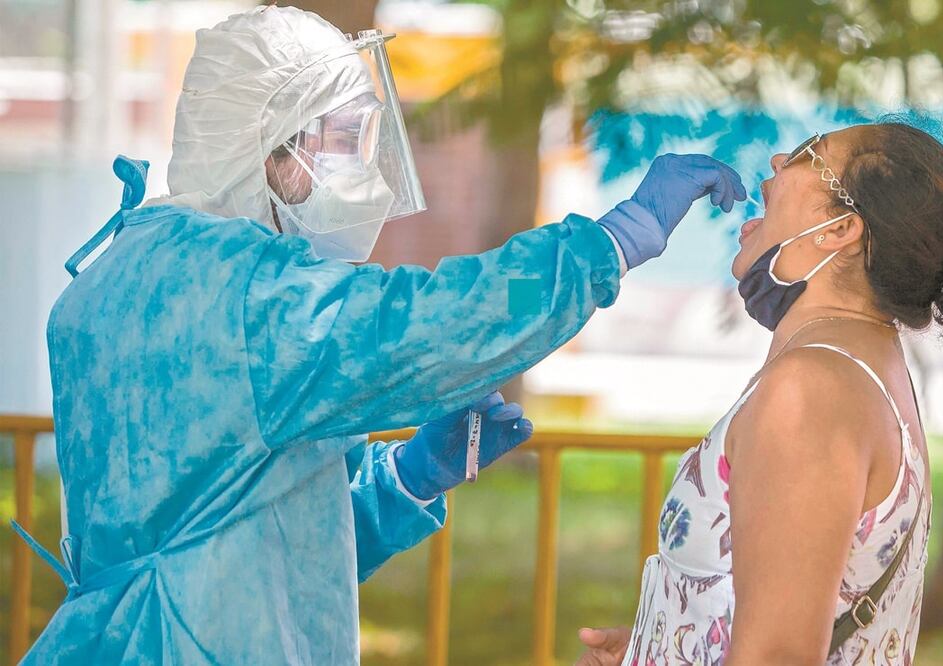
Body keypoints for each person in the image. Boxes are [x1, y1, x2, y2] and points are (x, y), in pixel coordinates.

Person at [11, 5, 745, 665]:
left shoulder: (127, 270)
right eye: (340, 139)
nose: (358, 168)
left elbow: (241, 539)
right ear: (268, 148)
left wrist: (401, 484)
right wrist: (611, 242)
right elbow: (439, 320)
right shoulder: (249, 298)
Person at [576, 121, 943, 665]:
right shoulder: (858, 366)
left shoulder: (811, 392)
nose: (776, 161)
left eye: (806, 152)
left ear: (840, 228)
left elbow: (777, 656)